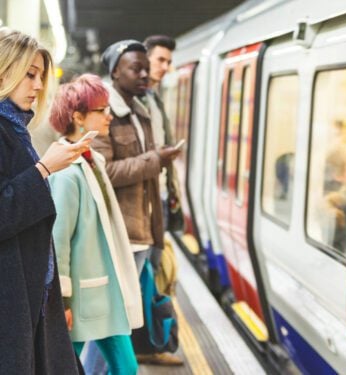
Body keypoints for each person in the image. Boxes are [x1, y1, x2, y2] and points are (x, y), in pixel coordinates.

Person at [0, 28, 90, 374]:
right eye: (30, 74)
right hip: (10, 295)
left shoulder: (15, 128)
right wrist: (43, 169)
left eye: (40, 76)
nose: (38, 86)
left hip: (30, 290)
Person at [92, 39, 182, 366]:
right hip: (120, 235)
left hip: (141, 232)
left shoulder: (140, 111)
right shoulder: (106, 115)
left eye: (147, 68)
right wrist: (154, 160)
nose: (145, 74)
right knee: (111, 324)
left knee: (118, 323)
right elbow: (105, 171)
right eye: (136, 68)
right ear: (115, 71)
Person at [48, 74, 143, 375]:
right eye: (101, 110)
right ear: (78, 117)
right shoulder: (66, 174)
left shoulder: (92, 160)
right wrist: (62, 300)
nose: (109, 116)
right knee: (65, 366)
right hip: (82, 297)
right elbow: (58, 239)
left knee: (125, 367)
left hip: (104, 291)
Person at [143, 34, 184, 236]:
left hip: (161, 193)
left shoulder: (154, 99)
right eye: (160, 60)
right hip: (145, 199)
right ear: (144, 59)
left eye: (168, 62)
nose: (165, 67)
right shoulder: (135, 100)